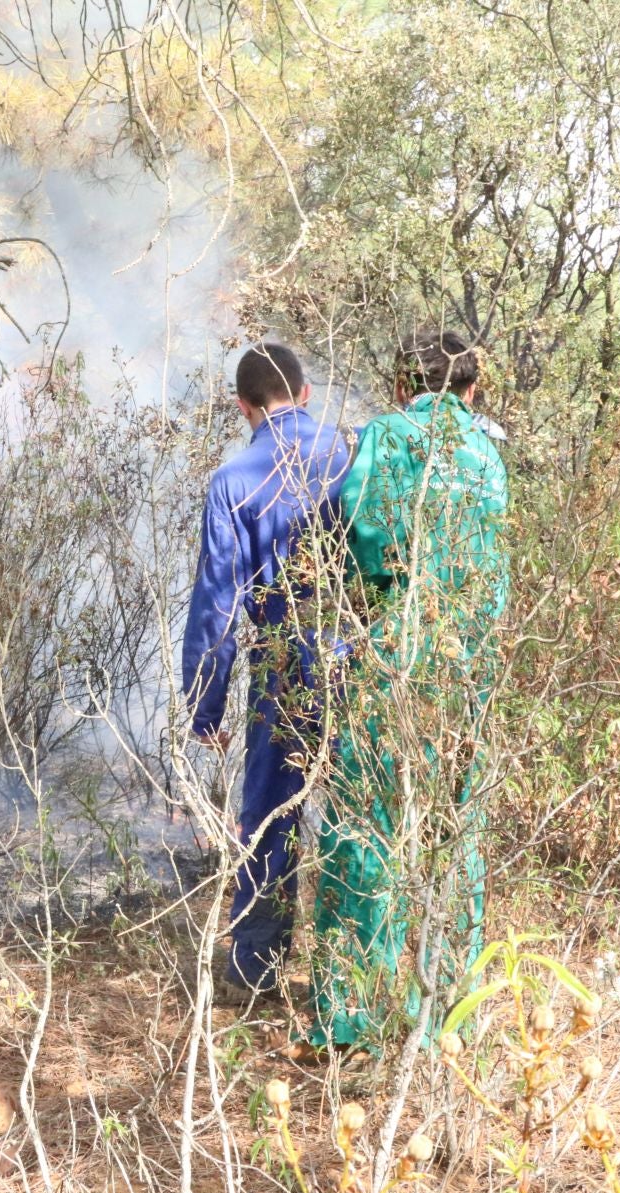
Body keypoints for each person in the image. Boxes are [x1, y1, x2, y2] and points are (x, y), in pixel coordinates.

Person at [307, 326, 509, 1050]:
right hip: (470, 668)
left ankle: (356, 1022)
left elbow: (360, 537)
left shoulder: (386, 436)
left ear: (401, 383)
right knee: (458, 831)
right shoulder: (488, 450)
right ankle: (450, 1017)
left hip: (396, 654)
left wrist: (376, 599)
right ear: (473, 386)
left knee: (367, 829)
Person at [181, 342, 355, 997]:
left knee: (270, 814)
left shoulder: (233, 481)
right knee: (355, 811)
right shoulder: (351, 455)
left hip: (282, 660)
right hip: (355, 653)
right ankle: (349, 979)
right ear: (306, 393)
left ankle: (258, 972)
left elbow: (217, 607)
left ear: (242, 407)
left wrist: (205, 704)